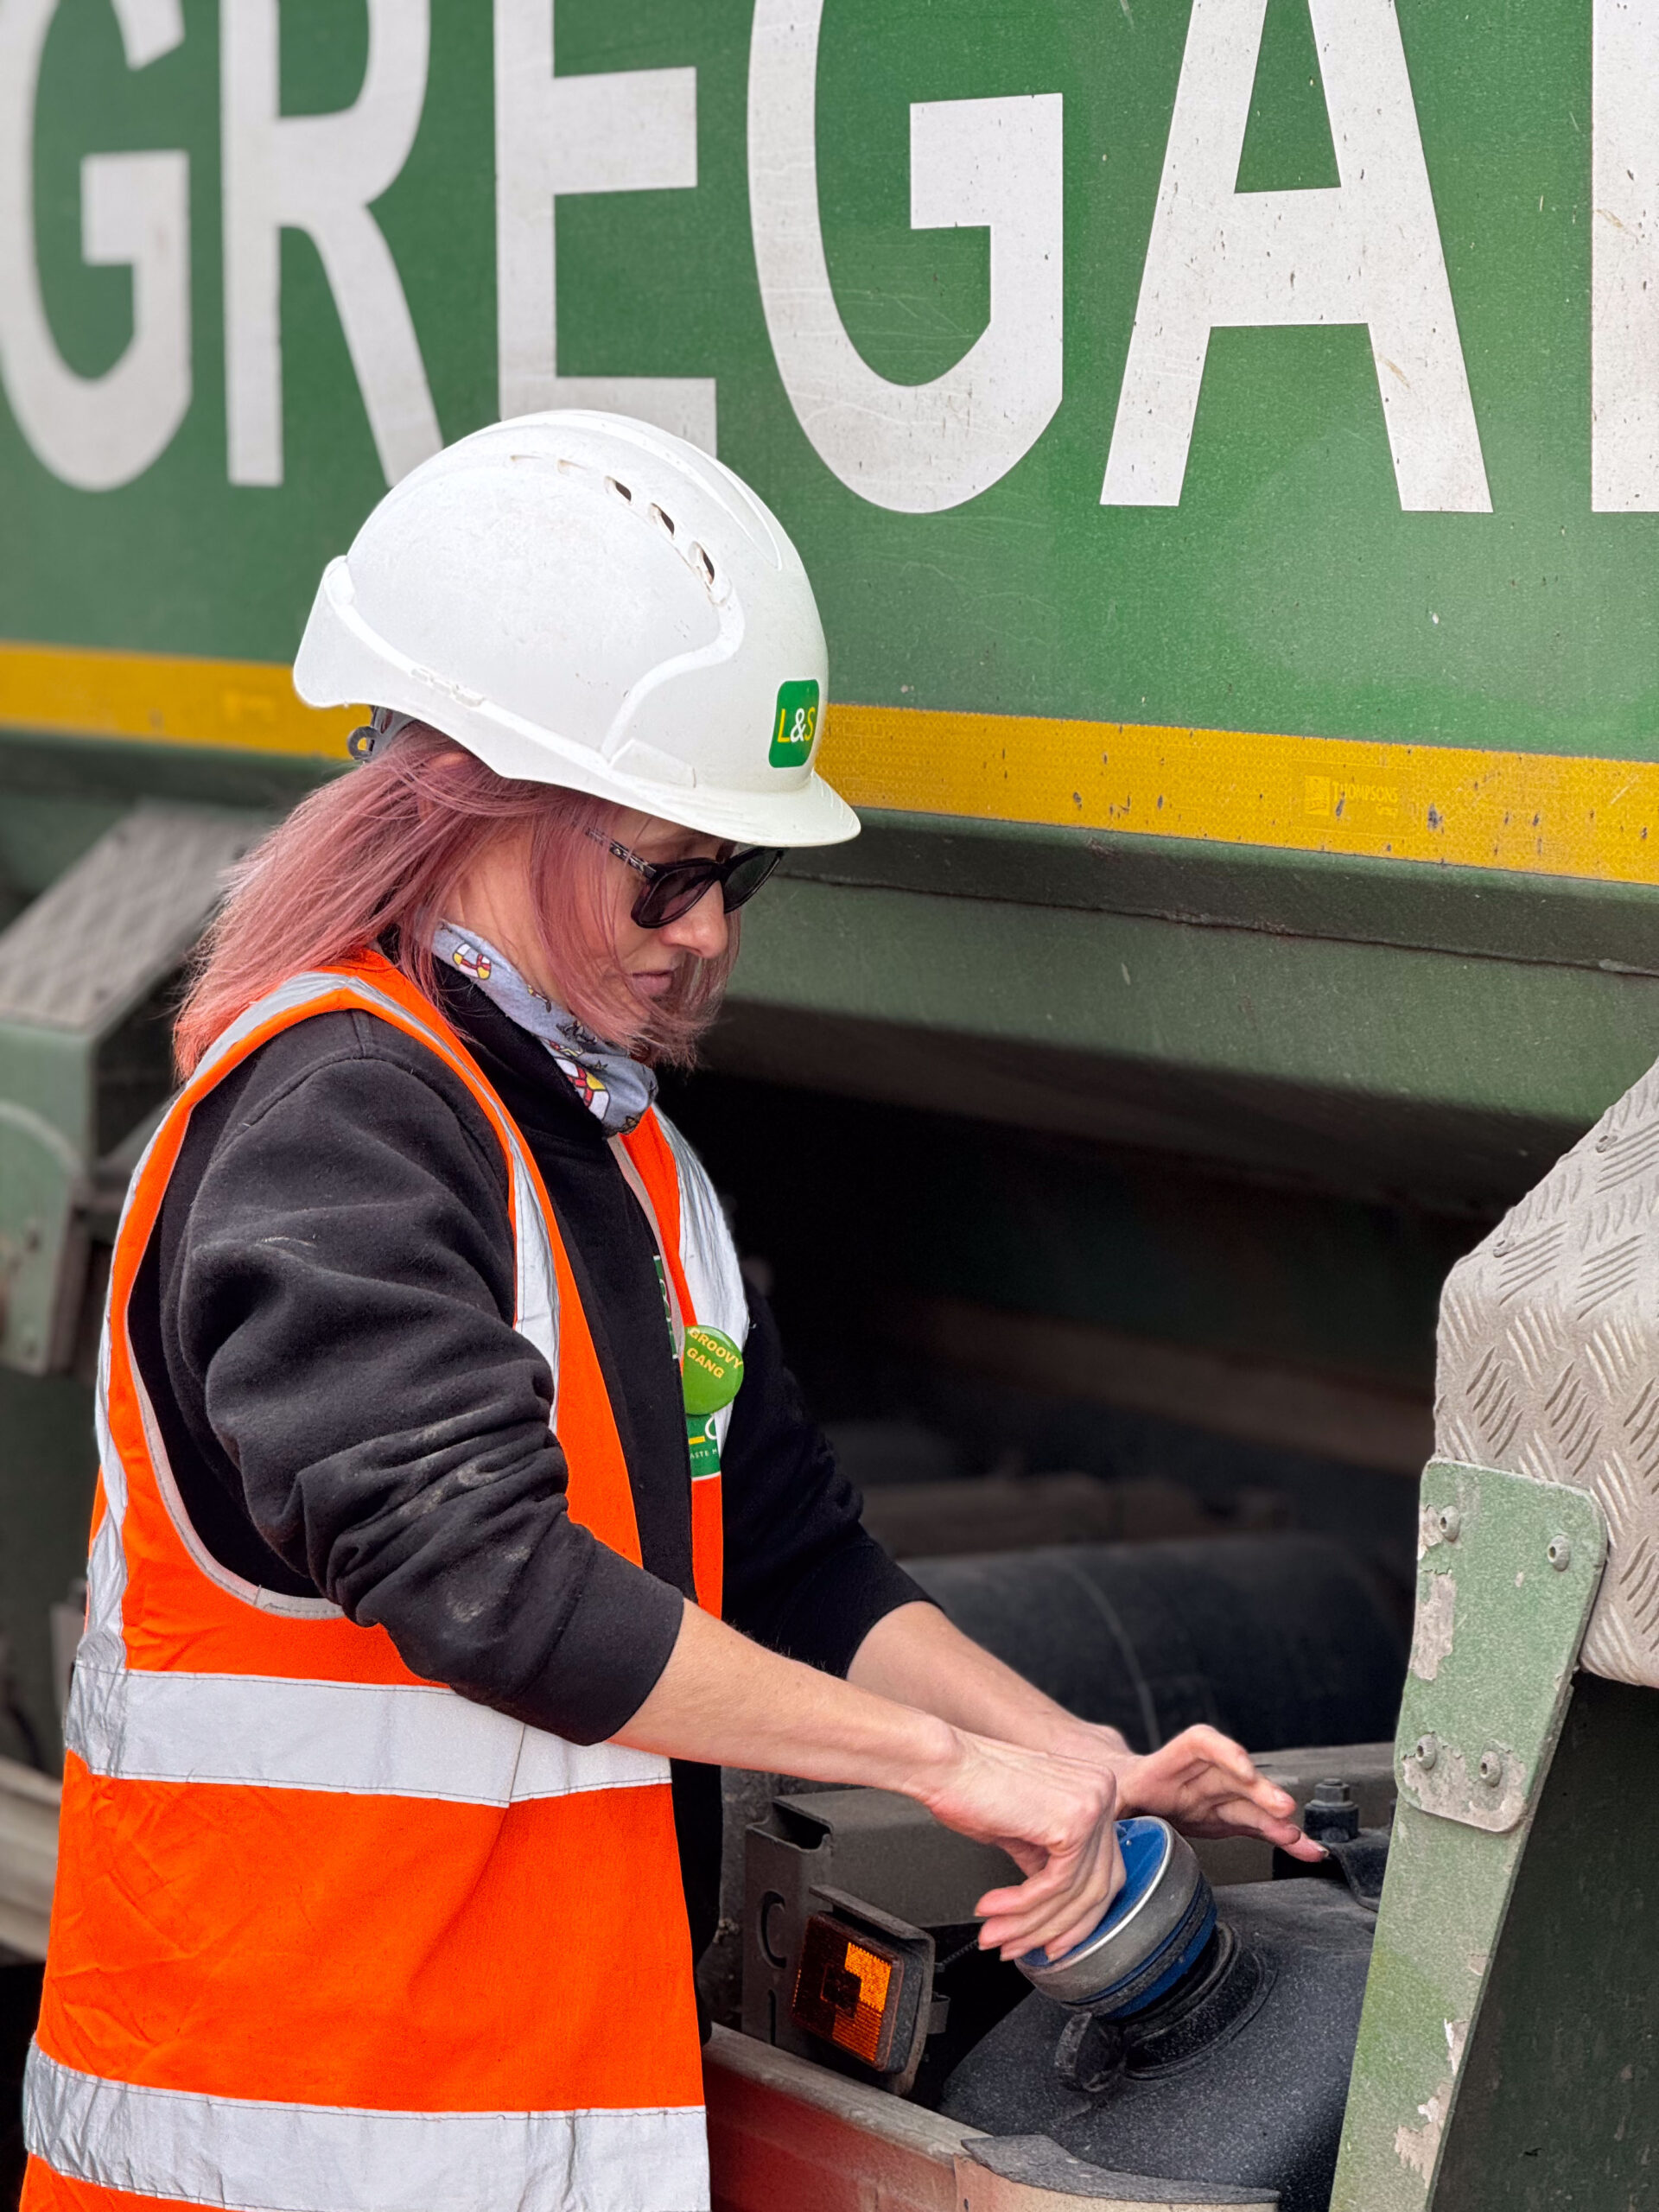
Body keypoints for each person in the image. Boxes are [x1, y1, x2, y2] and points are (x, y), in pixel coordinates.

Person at [21, 414, 1319, 2212]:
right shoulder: (336, 1122)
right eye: (668, 868)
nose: (709, 930)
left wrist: (1065, 1755)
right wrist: (946, 1769)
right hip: (284, 2149)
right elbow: (485, 1577)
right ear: (465, 806)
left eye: (738, 874)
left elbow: (786, 1547)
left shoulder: (627, 1160)